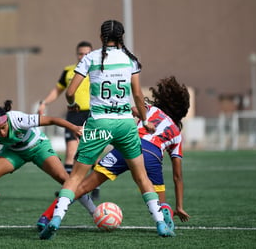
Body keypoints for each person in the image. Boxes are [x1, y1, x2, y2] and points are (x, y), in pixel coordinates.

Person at [40, 19, 175, 240]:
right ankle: (160, 223)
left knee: (75, 177)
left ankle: (56, 218)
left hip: (98, 124)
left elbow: (70, 91)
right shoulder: (130, 60)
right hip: (125, 124)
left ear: (101, 36)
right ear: (121, 37)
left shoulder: (90, 57)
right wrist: (144, 119)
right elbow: (139, 96)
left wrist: (72, 101)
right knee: (141, 177)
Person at [37, 76, 191, 230]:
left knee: (82, 186)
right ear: (181, 112)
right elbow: (178, 177)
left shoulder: (152, 110)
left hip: (128, 147)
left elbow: (133, 110)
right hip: (152, 157)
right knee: (159, 203)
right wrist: (180, 206)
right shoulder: (176, 133)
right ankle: (165, 220)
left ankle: (47, 216)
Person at [0, 100, 96, 232]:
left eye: (3, 128)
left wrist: (73, 128)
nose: (2, 133)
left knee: (66, 180)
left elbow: (52, 120)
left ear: (7, 121)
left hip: (38, 147)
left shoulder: (18, 119)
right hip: (14, 152)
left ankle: (94, 212)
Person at [38, 41, 101, 201]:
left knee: (94, 153)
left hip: (93, 115)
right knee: (71, 153)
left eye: (87, 54)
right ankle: (67, 187)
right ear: (76, 54)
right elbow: (57, 90)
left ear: (92, 54)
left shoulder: (98, 69)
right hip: (74, 115)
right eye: (80, 53)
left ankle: (95, 188)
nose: (83, 56)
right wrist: (44, 102)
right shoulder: (69, 71)